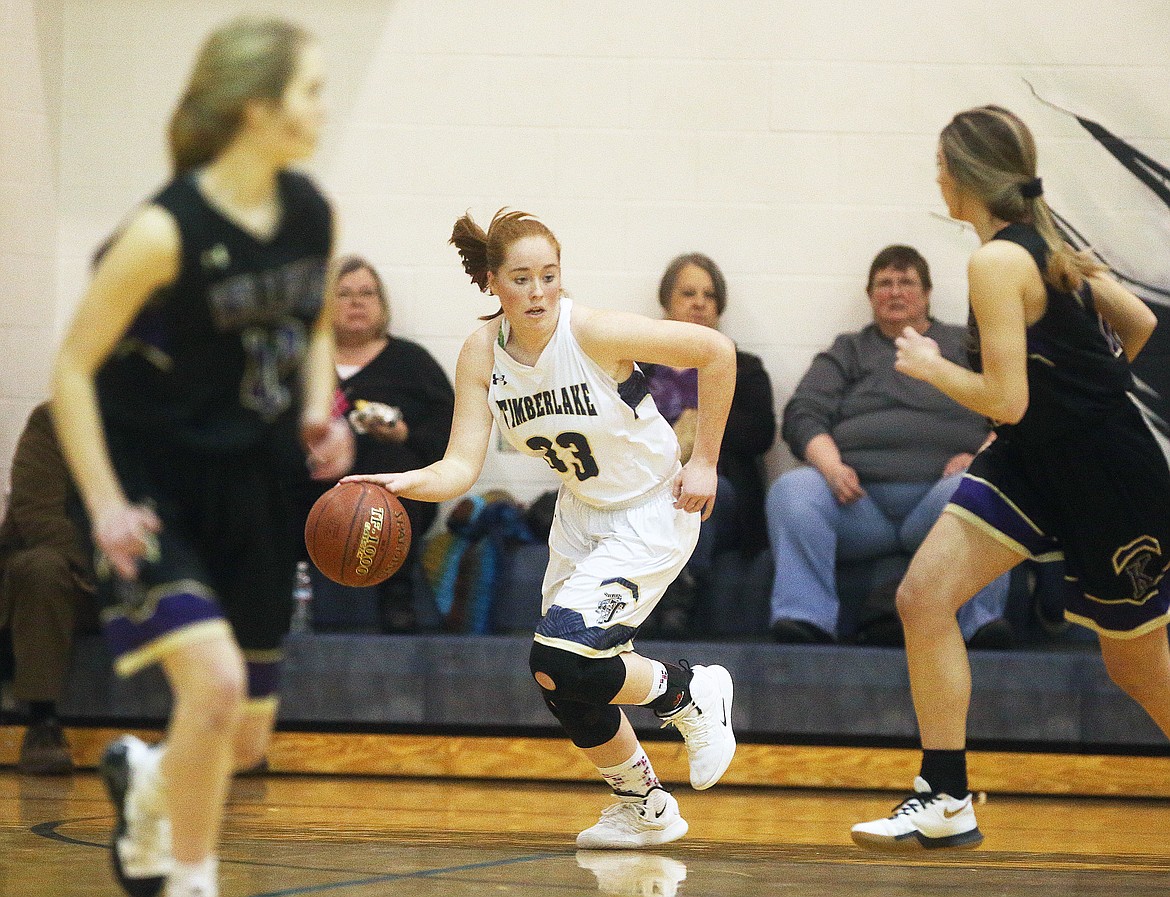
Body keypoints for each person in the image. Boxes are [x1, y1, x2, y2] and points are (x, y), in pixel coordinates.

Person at [51, 18, 350, 897]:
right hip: (155, 489)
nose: (322, 108)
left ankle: (148, 780)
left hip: (254, 486)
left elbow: (319, 321)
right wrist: (104, 503)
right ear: (258, 110)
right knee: (213, 686)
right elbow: (71, 368)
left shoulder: (310, 212)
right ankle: (191, 879)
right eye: (310, 91)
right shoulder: (161, 232)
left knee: (244, 737)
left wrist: (318, 410)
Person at [344, 208, 738, 849]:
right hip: (582, 512)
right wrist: (397, 484)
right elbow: (461, 465)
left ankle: (689, 690)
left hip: (651, 506)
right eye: (521, 278)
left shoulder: (593, 333)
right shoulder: (481, 351)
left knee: (559, 655)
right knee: (559, 678)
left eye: (548, 277)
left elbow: (716, 354)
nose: (537, 292)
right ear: (494, 283)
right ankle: (644, 806)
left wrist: (706, 462)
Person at [852, 105, 1170, 851]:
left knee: (1135, 664)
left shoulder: (998, 261)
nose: (935, 175)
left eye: (941, 163)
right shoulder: (1047, 243)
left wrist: (935, 367)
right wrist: (1072, 398)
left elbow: (1005, 398)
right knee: (922, 597)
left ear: (964, 176)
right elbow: (1139, 328)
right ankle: (945, 794)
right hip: (1034, 460)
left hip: (1106, 476)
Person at [767, 245, 1012, 646]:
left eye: (906, 282)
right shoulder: (849, 349)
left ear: (927, 293)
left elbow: (1009, 405)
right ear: (870, 296)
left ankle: (980, 621)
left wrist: (980, 457)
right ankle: (805, 617)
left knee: (986, 483)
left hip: (942, 501)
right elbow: (802, 413)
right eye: (884, 283)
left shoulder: (963, 345)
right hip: (857, 503)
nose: (895, 292)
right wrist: (830, 466)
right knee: (792, 490)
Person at [296, 255, 454, 632]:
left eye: (367, 293)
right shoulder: (301, 359)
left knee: (393, 459)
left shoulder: (411, 362)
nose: (356, 302)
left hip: (386, 495)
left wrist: (404, 435)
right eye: (344, 293)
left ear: (382, 304)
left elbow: (449, 436)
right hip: (309, 484)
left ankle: (397, 598)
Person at [640, 254, 775, 635]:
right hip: (646, 484)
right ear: (667, 303)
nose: (699, 302)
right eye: (688, 293)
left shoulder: (743, 367)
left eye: (709, 295)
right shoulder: (638, 368)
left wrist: (698, 425)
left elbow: (758, 436)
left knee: (692, 491)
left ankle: (679, 596)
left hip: (722, 491)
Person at [0, 402, 95, 775]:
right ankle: (42, 723)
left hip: (142, 574)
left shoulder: (171, 427)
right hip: (73, 576)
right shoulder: (53, 421)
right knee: (41, 568)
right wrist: (105, 569)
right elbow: (38, 516)